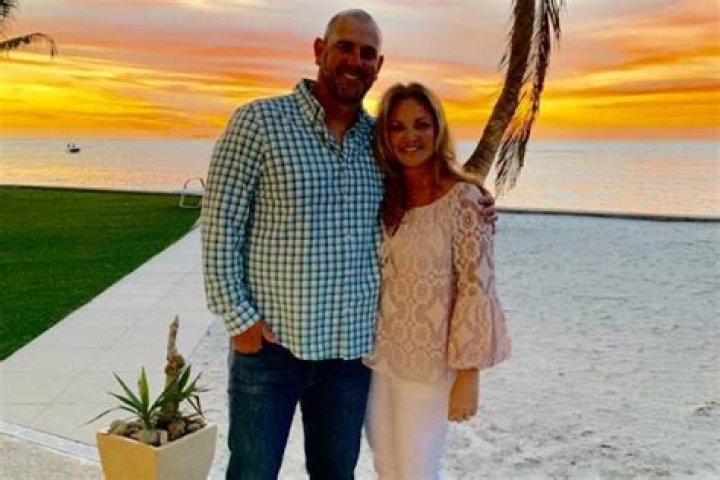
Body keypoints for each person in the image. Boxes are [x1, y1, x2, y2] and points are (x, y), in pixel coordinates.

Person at [201, 9, 496, 479]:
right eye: (345, 47)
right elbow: (219, 227)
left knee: (337, 473)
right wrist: (240, 321)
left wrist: (471, 196)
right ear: (320, 50)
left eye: (367, 53)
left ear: (378, 66)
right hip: (271, 349)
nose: (355, 61)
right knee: (253, 471)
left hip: (350, 358)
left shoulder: (378, 142)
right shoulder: (258, 123)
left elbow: (424, 188)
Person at [363, 83, 511, 479]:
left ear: (438, 129)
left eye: (421, 124)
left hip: (430, 363)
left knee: (417, 470)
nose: (409, 136)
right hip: (380, 357)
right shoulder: (384, 196)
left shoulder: (465, 200)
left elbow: (476, 290)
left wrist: (469, 373)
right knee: (385, 464)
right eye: (397, 127)